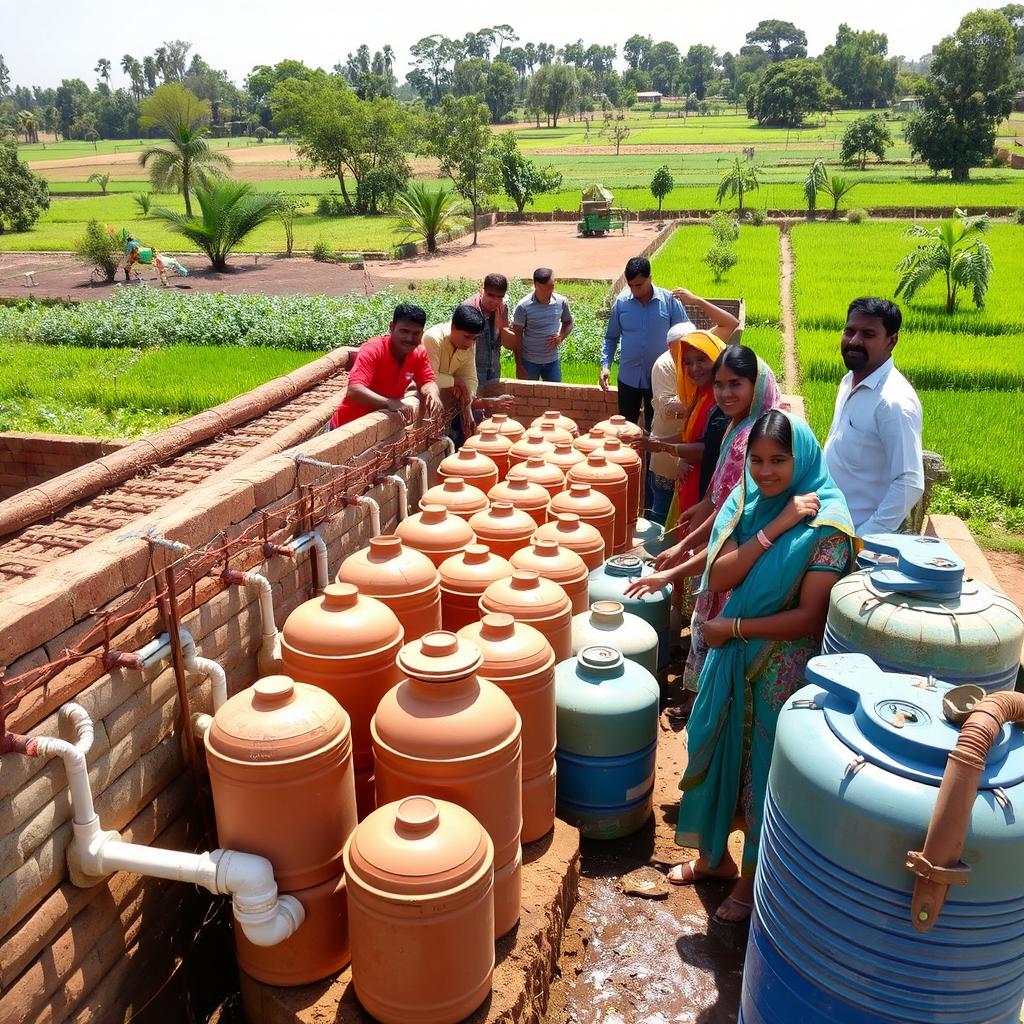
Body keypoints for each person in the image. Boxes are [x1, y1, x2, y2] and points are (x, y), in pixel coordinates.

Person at [666, 411, 854, 923]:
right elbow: (721, 571)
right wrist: (777, 525)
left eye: (779, 460)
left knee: (762, 772)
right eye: (757, 460)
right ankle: (715, 860)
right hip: (731, 656)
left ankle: (752, 882)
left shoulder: (829, 524)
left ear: (803, 459)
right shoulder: (747, 501)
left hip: (781, 672)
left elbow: (811, 616)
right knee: (716, 744)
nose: (766, 471)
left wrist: (737, 629)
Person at [626, 346, 781, 704]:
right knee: (709, 625)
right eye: (721, 384)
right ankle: (704, 704)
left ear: (755, 385)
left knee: (727, 640)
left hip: (741, 559)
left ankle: (715, 710)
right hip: (723, 550)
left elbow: (736, 522)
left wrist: (674, 566)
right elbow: (724, 505)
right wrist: (684, 543)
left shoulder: (758, 441)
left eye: (736, 384)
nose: (725, 393)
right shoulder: (735, 426)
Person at [600, 257, 739, 432]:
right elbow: (610, 337)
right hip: (628, 378)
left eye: (639, 285)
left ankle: (651, 459)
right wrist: (605, 365)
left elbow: (687, 336)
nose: (635, 290)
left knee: (656, 428)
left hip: (660, 381)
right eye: (631, 286)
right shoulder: (621, 304)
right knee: (626, 429)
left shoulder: (669, 302)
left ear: (650, 278)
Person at [824, 297, 924, 537]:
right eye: (849, 331)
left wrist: (863, 538)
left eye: (868, 334)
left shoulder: (894, 403)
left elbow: (909, 483)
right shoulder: (849, 381)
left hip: (856, 534)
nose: (854, 341)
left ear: (891, 341)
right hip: (831, 523)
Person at [634, 325, 728, 524]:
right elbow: (689, 435)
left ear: (717, 359)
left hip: (708, 486)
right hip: (690, 480)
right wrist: (656, 442)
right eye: (687, 362)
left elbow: (707, 449)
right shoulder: (699, 394)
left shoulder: (721, 400)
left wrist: (662, 446)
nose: (694, 368)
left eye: (702, 360)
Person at [329, 304, 443, 430]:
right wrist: (388, 403)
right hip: (346, 427)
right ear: (392, 327)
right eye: (404, 331)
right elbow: (354, 391)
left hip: (382, 430)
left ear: (422, 333)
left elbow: (427, 381)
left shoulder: (418, 353)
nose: (409, 338)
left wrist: (433, 393)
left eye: (416, 333)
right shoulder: (374, 350)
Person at [422, 305, 514, 443]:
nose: (470, 343)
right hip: (423, 405)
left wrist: (467, 407)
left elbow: (470, 377)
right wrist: (456, 381)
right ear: (453, 327)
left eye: (475, 339)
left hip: (446, 406)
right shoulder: (433, 339)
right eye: (467, 337)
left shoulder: (468, 343)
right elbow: (429, 378)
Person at [511, 268, 574, 382]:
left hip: (552, 361)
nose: (551, 290)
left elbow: (569, 322)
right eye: (547, 288)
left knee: (555, 395)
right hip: (529, 361)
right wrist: (519, 366)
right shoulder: (523, 306)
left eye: (552, 286)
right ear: (536, 285)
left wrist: (561, 336)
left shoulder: (561, 301)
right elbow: (517, 338)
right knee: (528, 396)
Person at [465, 273, 523, 386]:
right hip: (471, 371)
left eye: (499, 297)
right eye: (490, 295)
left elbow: (507, 341)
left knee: (493, 401)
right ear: (481, 291)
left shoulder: (502, 308)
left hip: (493, 370)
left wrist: (503, 327)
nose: (495, 301)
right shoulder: (468, 309)